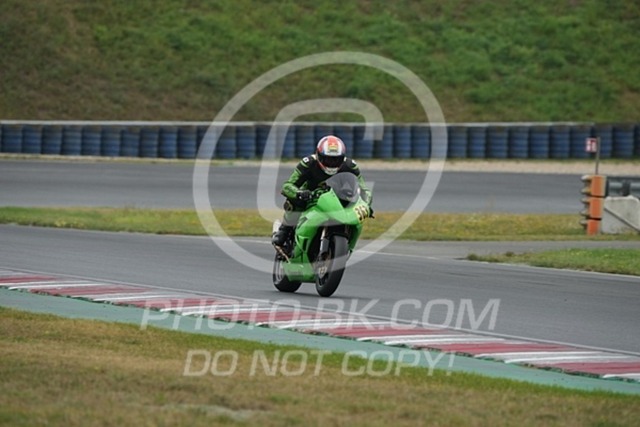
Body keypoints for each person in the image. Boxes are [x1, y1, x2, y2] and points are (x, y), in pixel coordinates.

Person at [272, 135, 373, 248]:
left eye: (336, 159)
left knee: (352, 208)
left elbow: (364, 189)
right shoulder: (308, 163)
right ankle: (285, 229)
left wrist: (366, 203)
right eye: (328, 159)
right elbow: (287, 186)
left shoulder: (350, 166)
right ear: (319, 156)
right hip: (310, 196)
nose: (332, 163)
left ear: (342, 158)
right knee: (295, 202)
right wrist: (299, 193)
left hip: (337, 198)